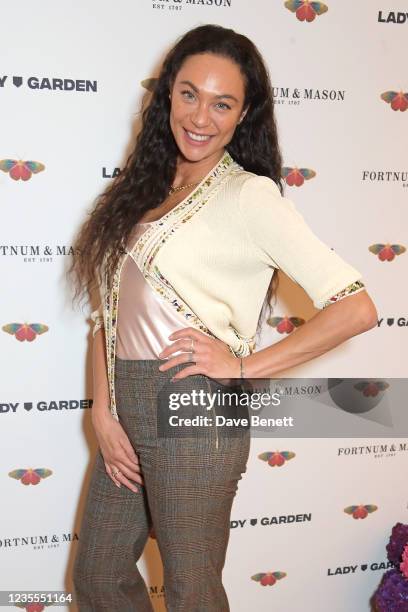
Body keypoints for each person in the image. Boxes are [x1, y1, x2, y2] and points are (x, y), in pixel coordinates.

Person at [69, 23, 377, 612]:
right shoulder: (144, 188)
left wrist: (242, 366)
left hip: (198, 408)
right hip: (124, 405)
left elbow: (356, 308)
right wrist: (103, 412)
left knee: (191, 592)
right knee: (99, 576)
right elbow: (106, 316)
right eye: (189, 93)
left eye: (222, 102)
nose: (201, 116)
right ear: (166, 95)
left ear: (244, 114)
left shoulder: (249, 196)